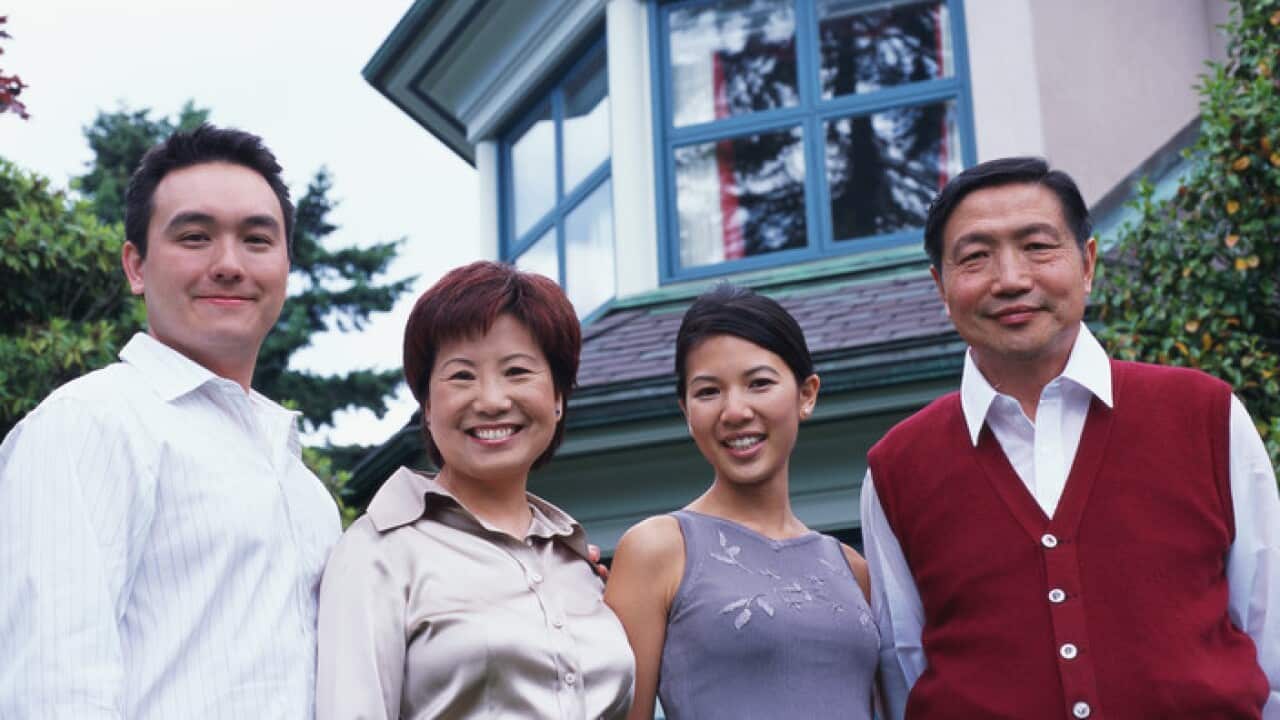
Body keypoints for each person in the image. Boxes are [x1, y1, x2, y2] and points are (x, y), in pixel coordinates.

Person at [861, 156, 1280, 719]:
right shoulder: (898, 468)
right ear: (940, 285)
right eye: (976, 257)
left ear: (1086, 263)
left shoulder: (1204, 415)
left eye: (1037, 246)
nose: (1010, 279)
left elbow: (1270, 638)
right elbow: (904, 668)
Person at [0, 125, 341, 718]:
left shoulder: (305, 490)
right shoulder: (89, 424)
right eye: (195, 236)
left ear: (286, 264)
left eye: (257, 240)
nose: (229, 264)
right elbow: (53, 687)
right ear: (136, 266)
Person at [315, 261, 634, 719]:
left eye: (518, 372)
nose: (491, 400)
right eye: (462, 376)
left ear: (559, 398)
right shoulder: (378, 553)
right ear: (426, 405)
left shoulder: (579, 565)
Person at [606, 285, 879, 720]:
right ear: (686, 411)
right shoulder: (657, 549)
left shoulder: (854, 569)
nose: (734, 411)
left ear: (806, 394)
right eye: (708, 392)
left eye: (759, 384)